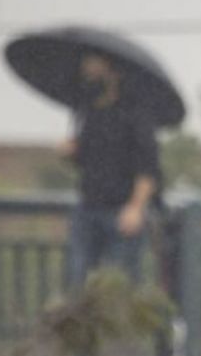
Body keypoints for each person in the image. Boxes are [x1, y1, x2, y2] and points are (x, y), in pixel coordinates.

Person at [63, 52, 163, 292]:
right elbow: (87, 162)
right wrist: (70, 153)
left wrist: (136, 207)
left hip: (121, 212)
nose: (89, 73)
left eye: (95, 66)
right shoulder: (87, 113)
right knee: (79, 281)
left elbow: (148, 168)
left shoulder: (135, 114)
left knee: (118, 286)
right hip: (88, 207)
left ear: (113, 73)